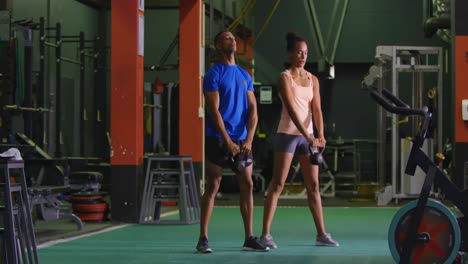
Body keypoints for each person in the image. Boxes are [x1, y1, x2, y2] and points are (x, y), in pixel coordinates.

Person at [260, 32, 339, 249]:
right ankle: (265, 235)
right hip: (288, 134)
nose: (303, 56)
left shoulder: (312, 79)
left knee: (313, 185)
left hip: (309, 138)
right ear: (290, 54)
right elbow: (293, 110)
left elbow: (317, 110)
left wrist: (320, 135)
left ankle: (321, 234)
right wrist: (308, 135)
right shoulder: (284, 78)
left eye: (305, 53)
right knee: (278, 184)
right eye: (299, 52)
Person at [195, 30, 269, 253]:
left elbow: (254, 109)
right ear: (218, 45)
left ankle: (249, 237)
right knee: (213, 184)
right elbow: (214, 111)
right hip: (218, 138)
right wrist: (227, 141)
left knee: (247, 184)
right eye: (227, 38)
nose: (233, 40)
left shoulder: (245, 75)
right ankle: (203, 238)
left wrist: (249, 138)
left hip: (241, 139)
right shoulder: (213, 74)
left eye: (233, 38)